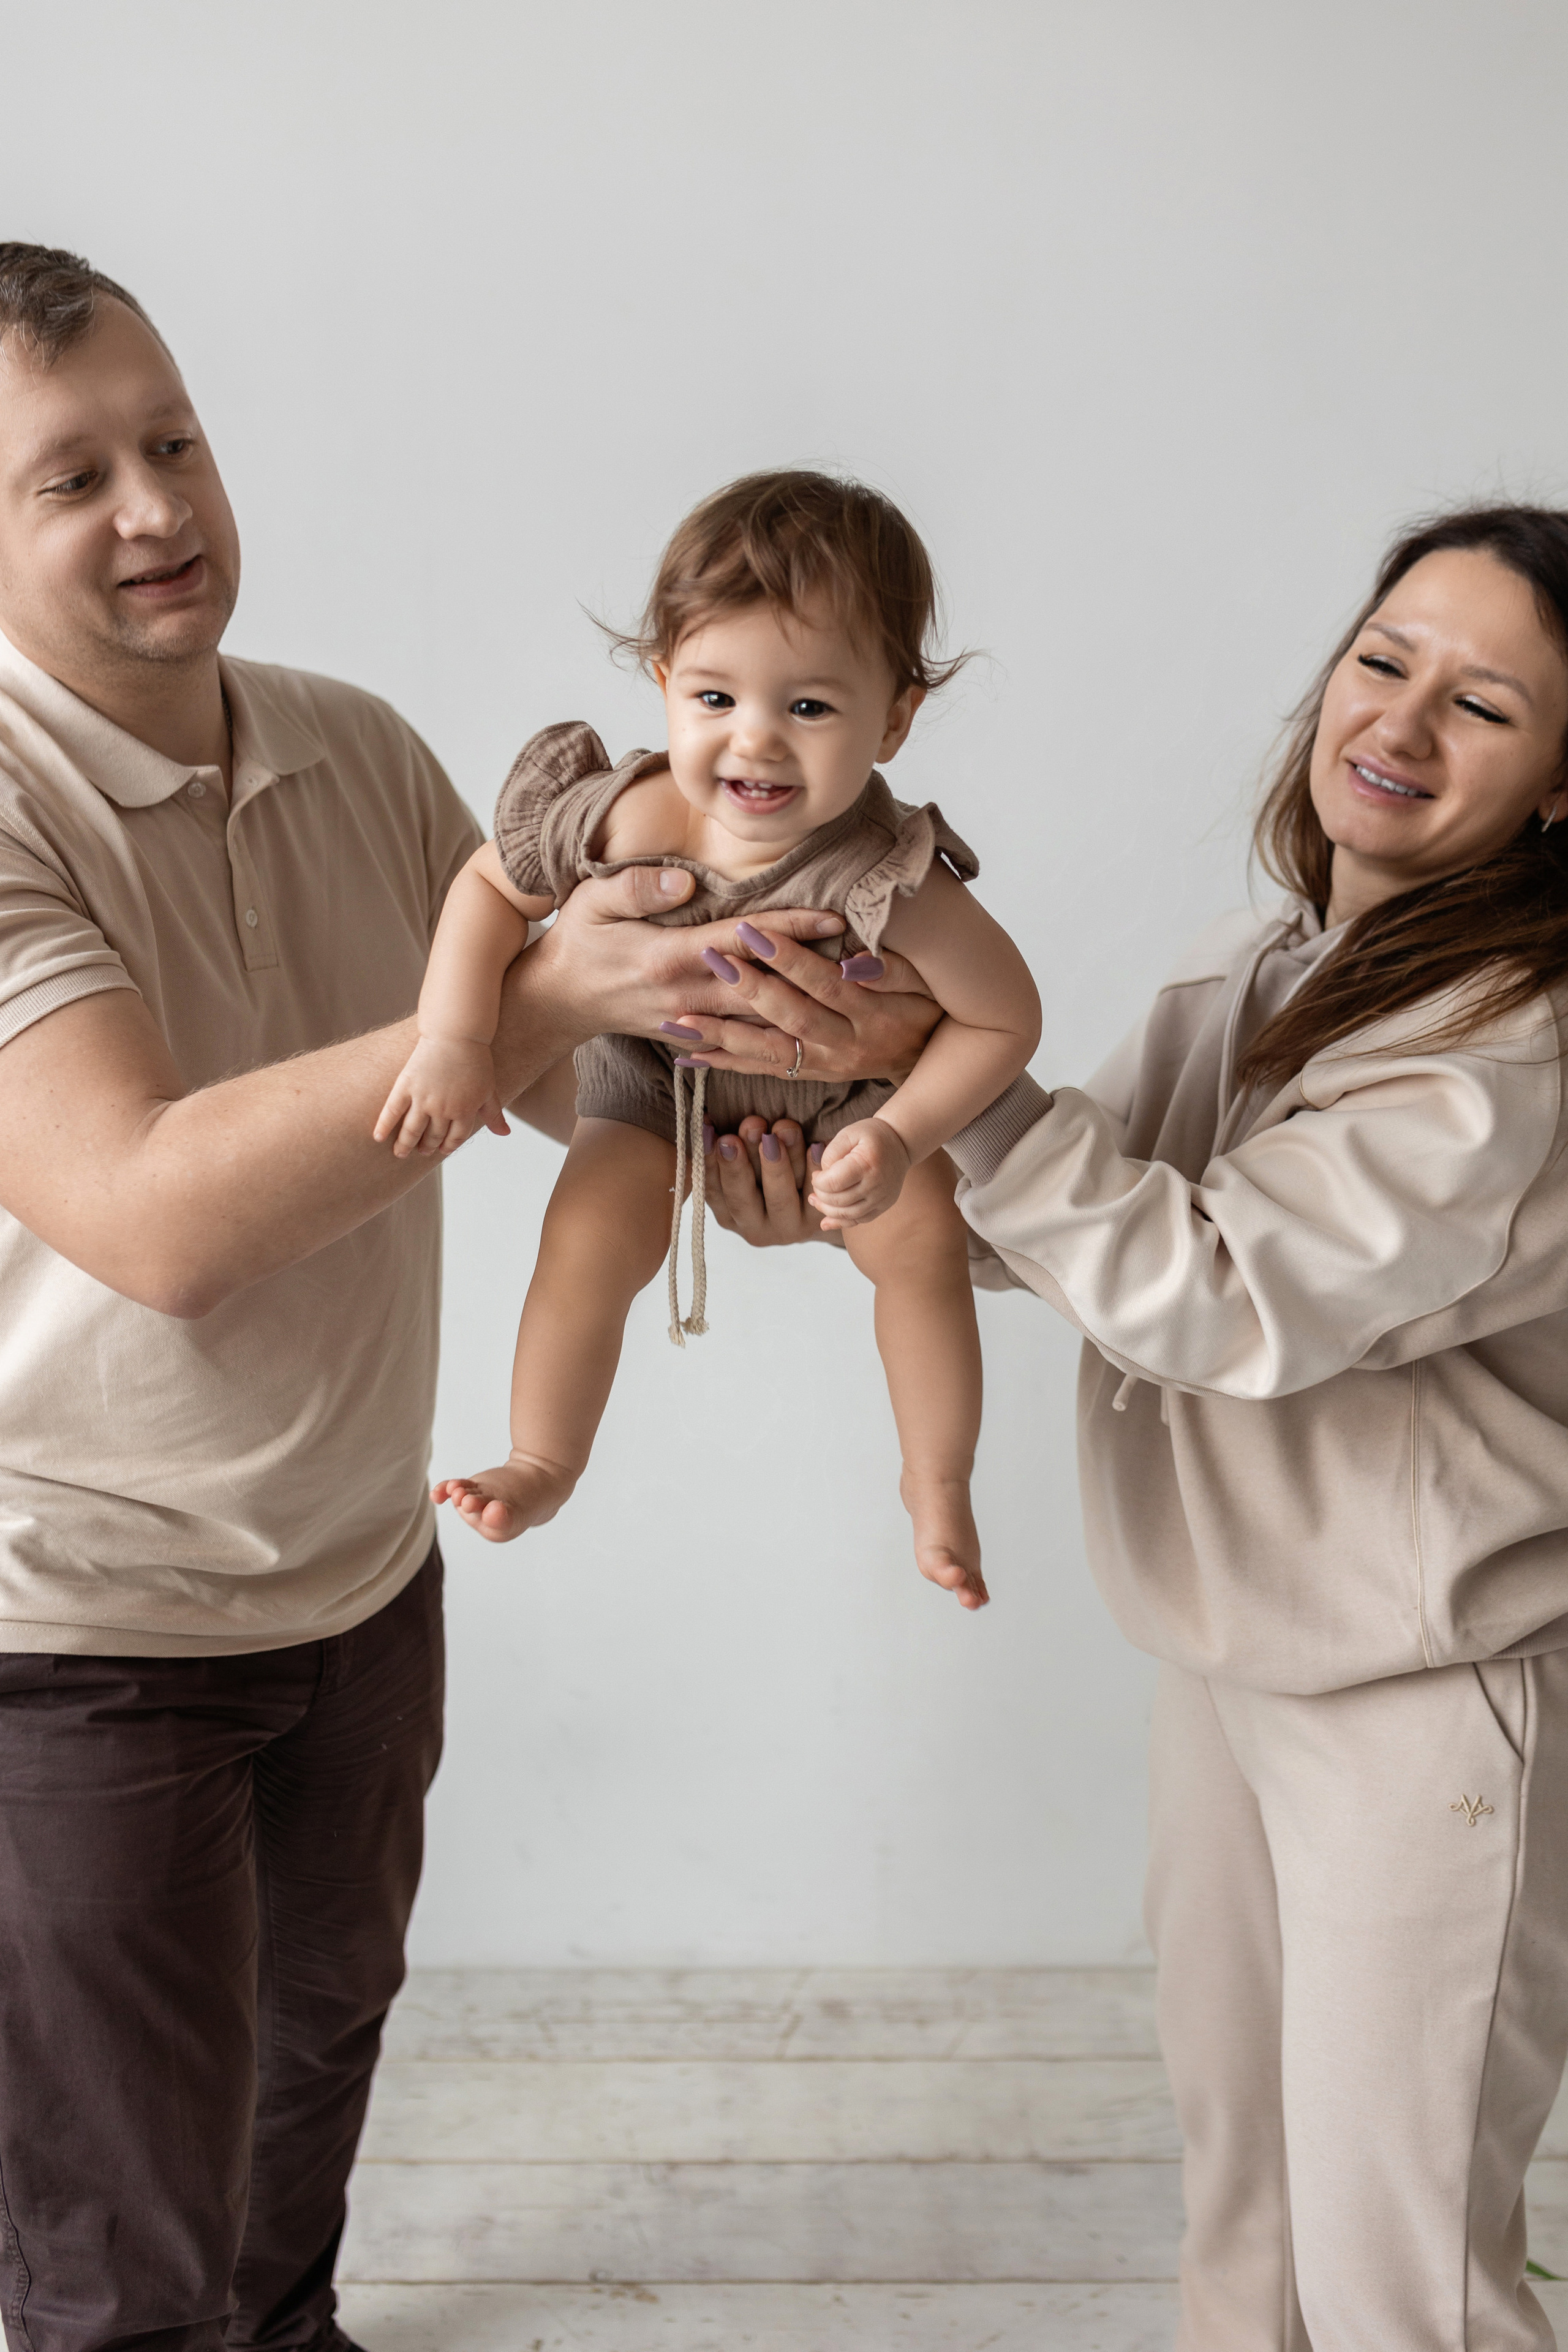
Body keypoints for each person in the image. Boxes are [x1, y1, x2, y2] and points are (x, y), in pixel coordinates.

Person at [0, 244, 938, 2352]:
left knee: (297, 2120)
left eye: (173, 441)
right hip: (65, 1634)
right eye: (72, 479)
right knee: (120, 2225)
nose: (158, 507)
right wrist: (550, 990)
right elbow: (147, 1211)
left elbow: (550, 1071)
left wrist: (767, 1144)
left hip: (354, 1580)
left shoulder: (356, 747)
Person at [691, 503, 1568, 2350]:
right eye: (1386, 658)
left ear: (1565, 783)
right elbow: (1090, 1242)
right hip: (1237, 1662)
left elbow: (1225, 1293)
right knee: (1242, 2210)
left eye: (1485, 705)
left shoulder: (1516, 1055)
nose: (1398, 723)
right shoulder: (1261, 971)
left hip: (1430, 1700)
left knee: (1399, 2271)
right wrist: (867, 1162)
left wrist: (941, 1100)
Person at [377, 472, 1039, 1606]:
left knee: (920, 1243)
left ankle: (937, 1483)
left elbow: (1004, 1018)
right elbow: (488, 887)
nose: (758, 745)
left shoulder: (894, 878)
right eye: (717, 699)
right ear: (664, 685)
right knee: (588, 1235)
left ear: (895, 717)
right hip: (651, 1077)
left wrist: (903, 1133)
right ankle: (543, 1457)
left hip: (841, 1101)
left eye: (811, 709)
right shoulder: (635, 817)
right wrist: (452, 1038)